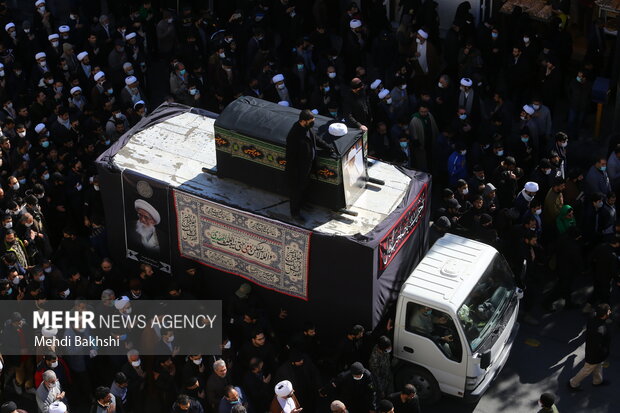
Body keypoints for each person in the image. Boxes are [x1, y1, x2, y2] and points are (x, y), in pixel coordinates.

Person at [284, 110, 333, 220]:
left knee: (304, 187)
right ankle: (295, 213)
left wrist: (328, 147)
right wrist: (296, 173)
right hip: (298, 170)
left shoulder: (307, 128)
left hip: (307, 166)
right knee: (296, 191)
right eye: (310, 121)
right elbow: (291, 157)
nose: (312, 123)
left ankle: (303, 203)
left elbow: (315, 138)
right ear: (303, 121)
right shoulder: (294, 135)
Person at [568, 303, 612, 391]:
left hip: (594, 353)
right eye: (609, 311)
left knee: (598, 366)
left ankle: (597, 381)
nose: (610, 312)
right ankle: (573, 384)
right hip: (594, 355)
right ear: (604, 315)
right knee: (586, 370)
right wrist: (604, 354)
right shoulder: (600, 330)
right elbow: (597, 346)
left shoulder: (593, 318)